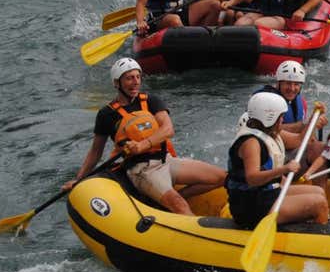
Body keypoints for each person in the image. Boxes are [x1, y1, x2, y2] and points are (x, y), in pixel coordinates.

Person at [63, 58, 225, 216]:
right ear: (117, 83)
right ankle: (179, 209)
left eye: (138, 77)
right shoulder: (107, 114)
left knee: (223, 177)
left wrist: (143, 145)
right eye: (129, 78)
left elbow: (168, 129)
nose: (135, 82)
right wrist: (79, 179)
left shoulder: (151, 101)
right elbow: (95, 152)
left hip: (166, 160)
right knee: (180, 206)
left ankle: (167, 201)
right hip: (142, 170)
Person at [226, 92, 328, 229]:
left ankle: (308, 225)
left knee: (318, 191)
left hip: (267, 194)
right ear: (270, 117)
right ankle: (320, 236)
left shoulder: (272, 133)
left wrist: (313, 121)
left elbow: (299, 140)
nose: (282, 120)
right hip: (252, 206)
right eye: (281, 117)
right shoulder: (251, 143)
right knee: (319, 203)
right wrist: (284, 169)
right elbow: (252, 178)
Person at [252, 60, 327, 165]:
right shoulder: (266, 102)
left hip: (293, 147)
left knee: (324, 148)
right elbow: (267, 130)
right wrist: (307, 124)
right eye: (288, 83)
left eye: (296, 84)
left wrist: (315, 122)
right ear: (279, 83)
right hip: (275, 152)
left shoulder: (301, 102)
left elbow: (308, 136)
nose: (292, 88)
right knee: (319, 149)